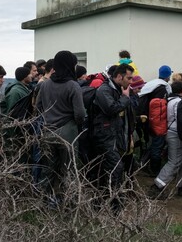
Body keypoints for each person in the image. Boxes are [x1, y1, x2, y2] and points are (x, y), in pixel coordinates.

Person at [35, 51, 85, 208]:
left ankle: (44, 202)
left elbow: (38, 107)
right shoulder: (73, 86)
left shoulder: (44, 84)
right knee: (68, 169)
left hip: (47, 131)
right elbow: (80, 114)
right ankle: (68, 204)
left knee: (47, 170)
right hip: (68, 133)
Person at [92, 63, 135, 210]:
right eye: (129, 78)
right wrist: (125, 98)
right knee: (116, 167)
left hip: (113, 135)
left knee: (109, 169)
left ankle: (104, 203)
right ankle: (114, 206)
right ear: (118, 76)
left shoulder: (116, 89)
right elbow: (111, 109)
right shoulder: (104, 90)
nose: (131, 82)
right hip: (104, 136)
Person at [147, 81, 182, 199]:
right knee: (174, 161)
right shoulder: (178, 102)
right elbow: (180, 120)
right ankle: (157, 186)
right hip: (176, 134)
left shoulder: (169, 100)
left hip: (170, 132)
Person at [138, 65, 173, 176]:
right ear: (168, 76)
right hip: (155, 121)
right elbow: (159, 108)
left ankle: (143, 164)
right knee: (157, 145)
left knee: (150, 144)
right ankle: (155, 170)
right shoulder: (162, 88)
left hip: (144, 118)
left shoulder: (150, 84)